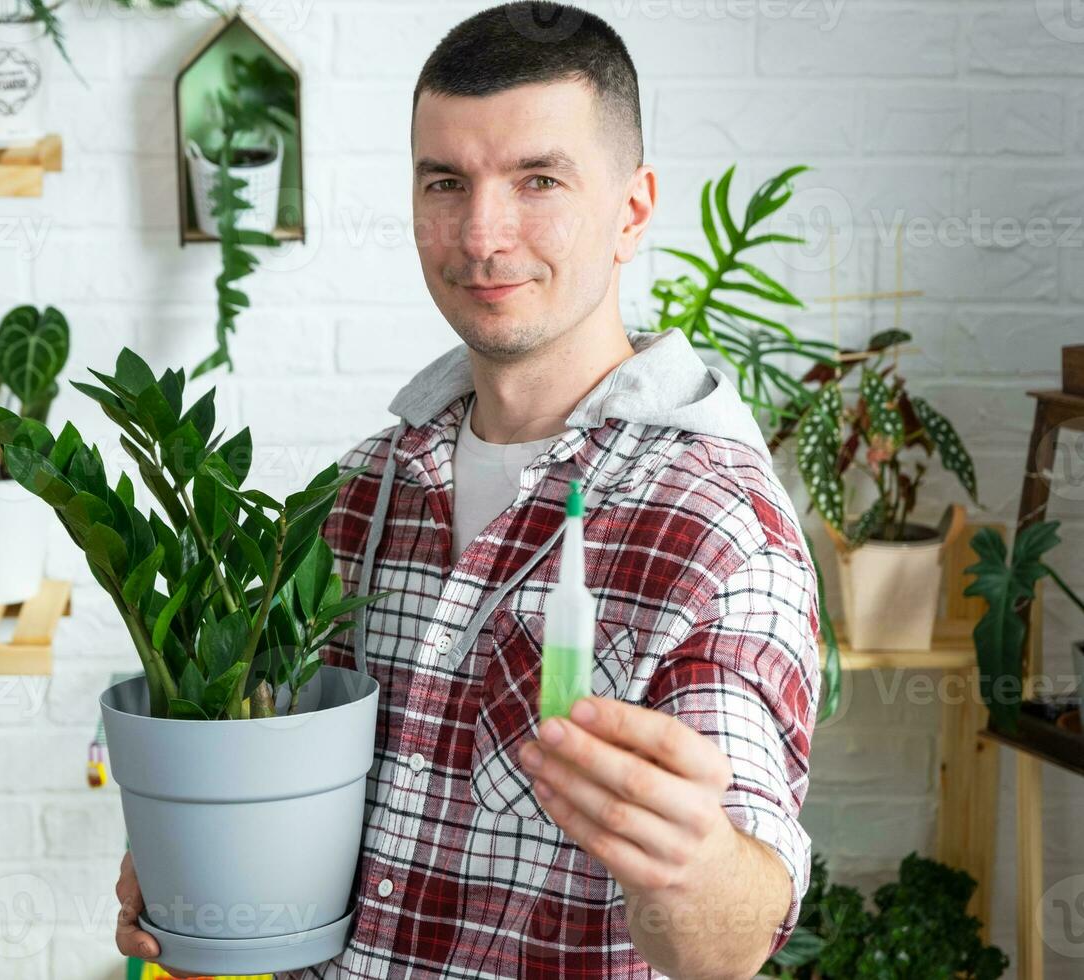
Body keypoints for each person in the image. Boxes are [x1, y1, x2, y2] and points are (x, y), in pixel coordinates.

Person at [117, 3, 820, 977]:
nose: (482, 234)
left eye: (539, 179)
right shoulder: (363, 490)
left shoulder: (716, 524)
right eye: (446, 181)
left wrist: (693, 865)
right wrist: (208, 878)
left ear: (632, 210)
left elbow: (728, 939)